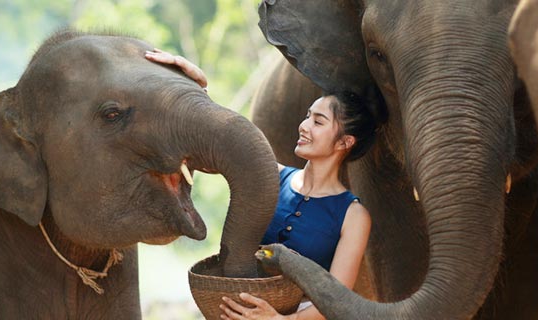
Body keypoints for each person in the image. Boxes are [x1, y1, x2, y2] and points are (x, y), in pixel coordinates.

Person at [146, 49, 379, 320]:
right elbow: (221, 139)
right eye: (307, 116)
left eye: (318, 121)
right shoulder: (270, 176)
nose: (304, 126)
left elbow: (337, 301)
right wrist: (198, 83)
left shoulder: (353, 216)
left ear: (344, 142)